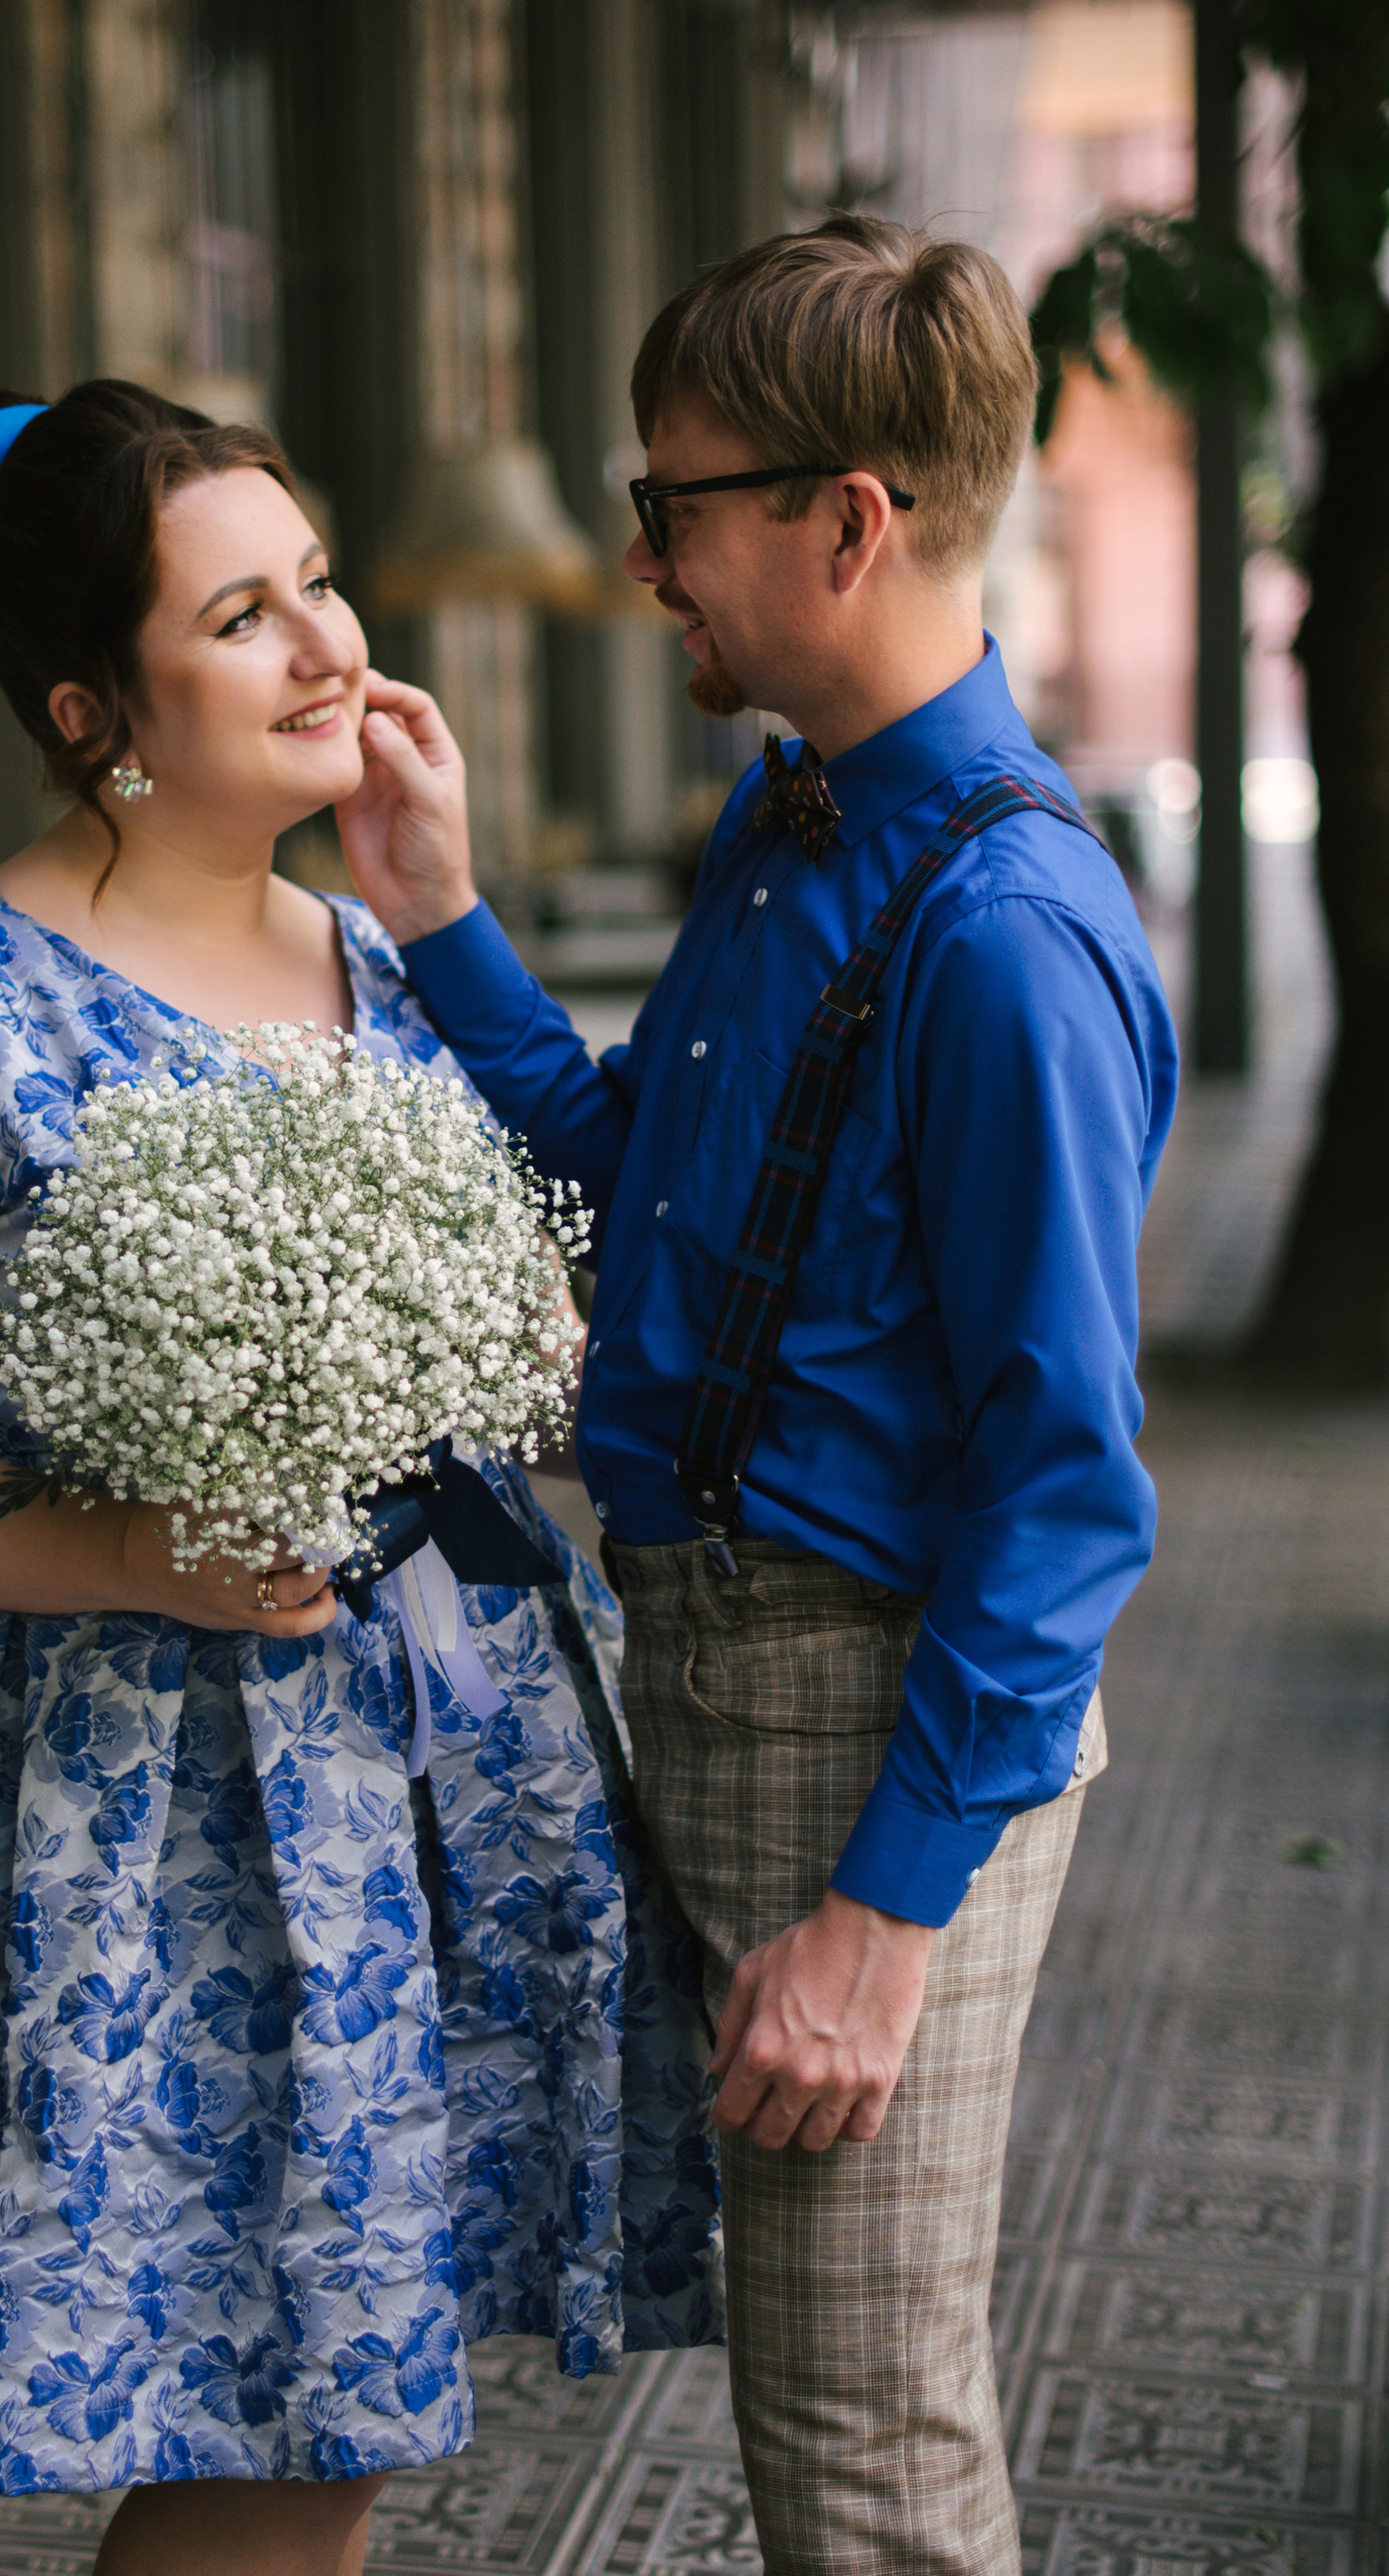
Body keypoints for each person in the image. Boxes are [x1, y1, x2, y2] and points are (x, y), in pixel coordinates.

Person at [0, 379, 720, 2576]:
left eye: (319, 581)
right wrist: (122, 1542)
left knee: (322, 2406)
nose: (332, 647)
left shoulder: (370, 959)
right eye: (246, 615)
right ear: (95, 709)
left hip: (418, 1765)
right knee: (270, 2421)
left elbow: (550, 1299)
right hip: (142, 1820)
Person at [336, 217, 1179, 2574]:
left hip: (883, 1714)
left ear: (851, 520)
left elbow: (1067, 1493)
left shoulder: (1002, 932)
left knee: (870, 2461)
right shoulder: (789, 810)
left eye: (676, 501)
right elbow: (650, 1213)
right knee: (832, 2412)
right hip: (716, 1667)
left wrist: (881, 1916)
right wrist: (441, 916)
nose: (640, 558)